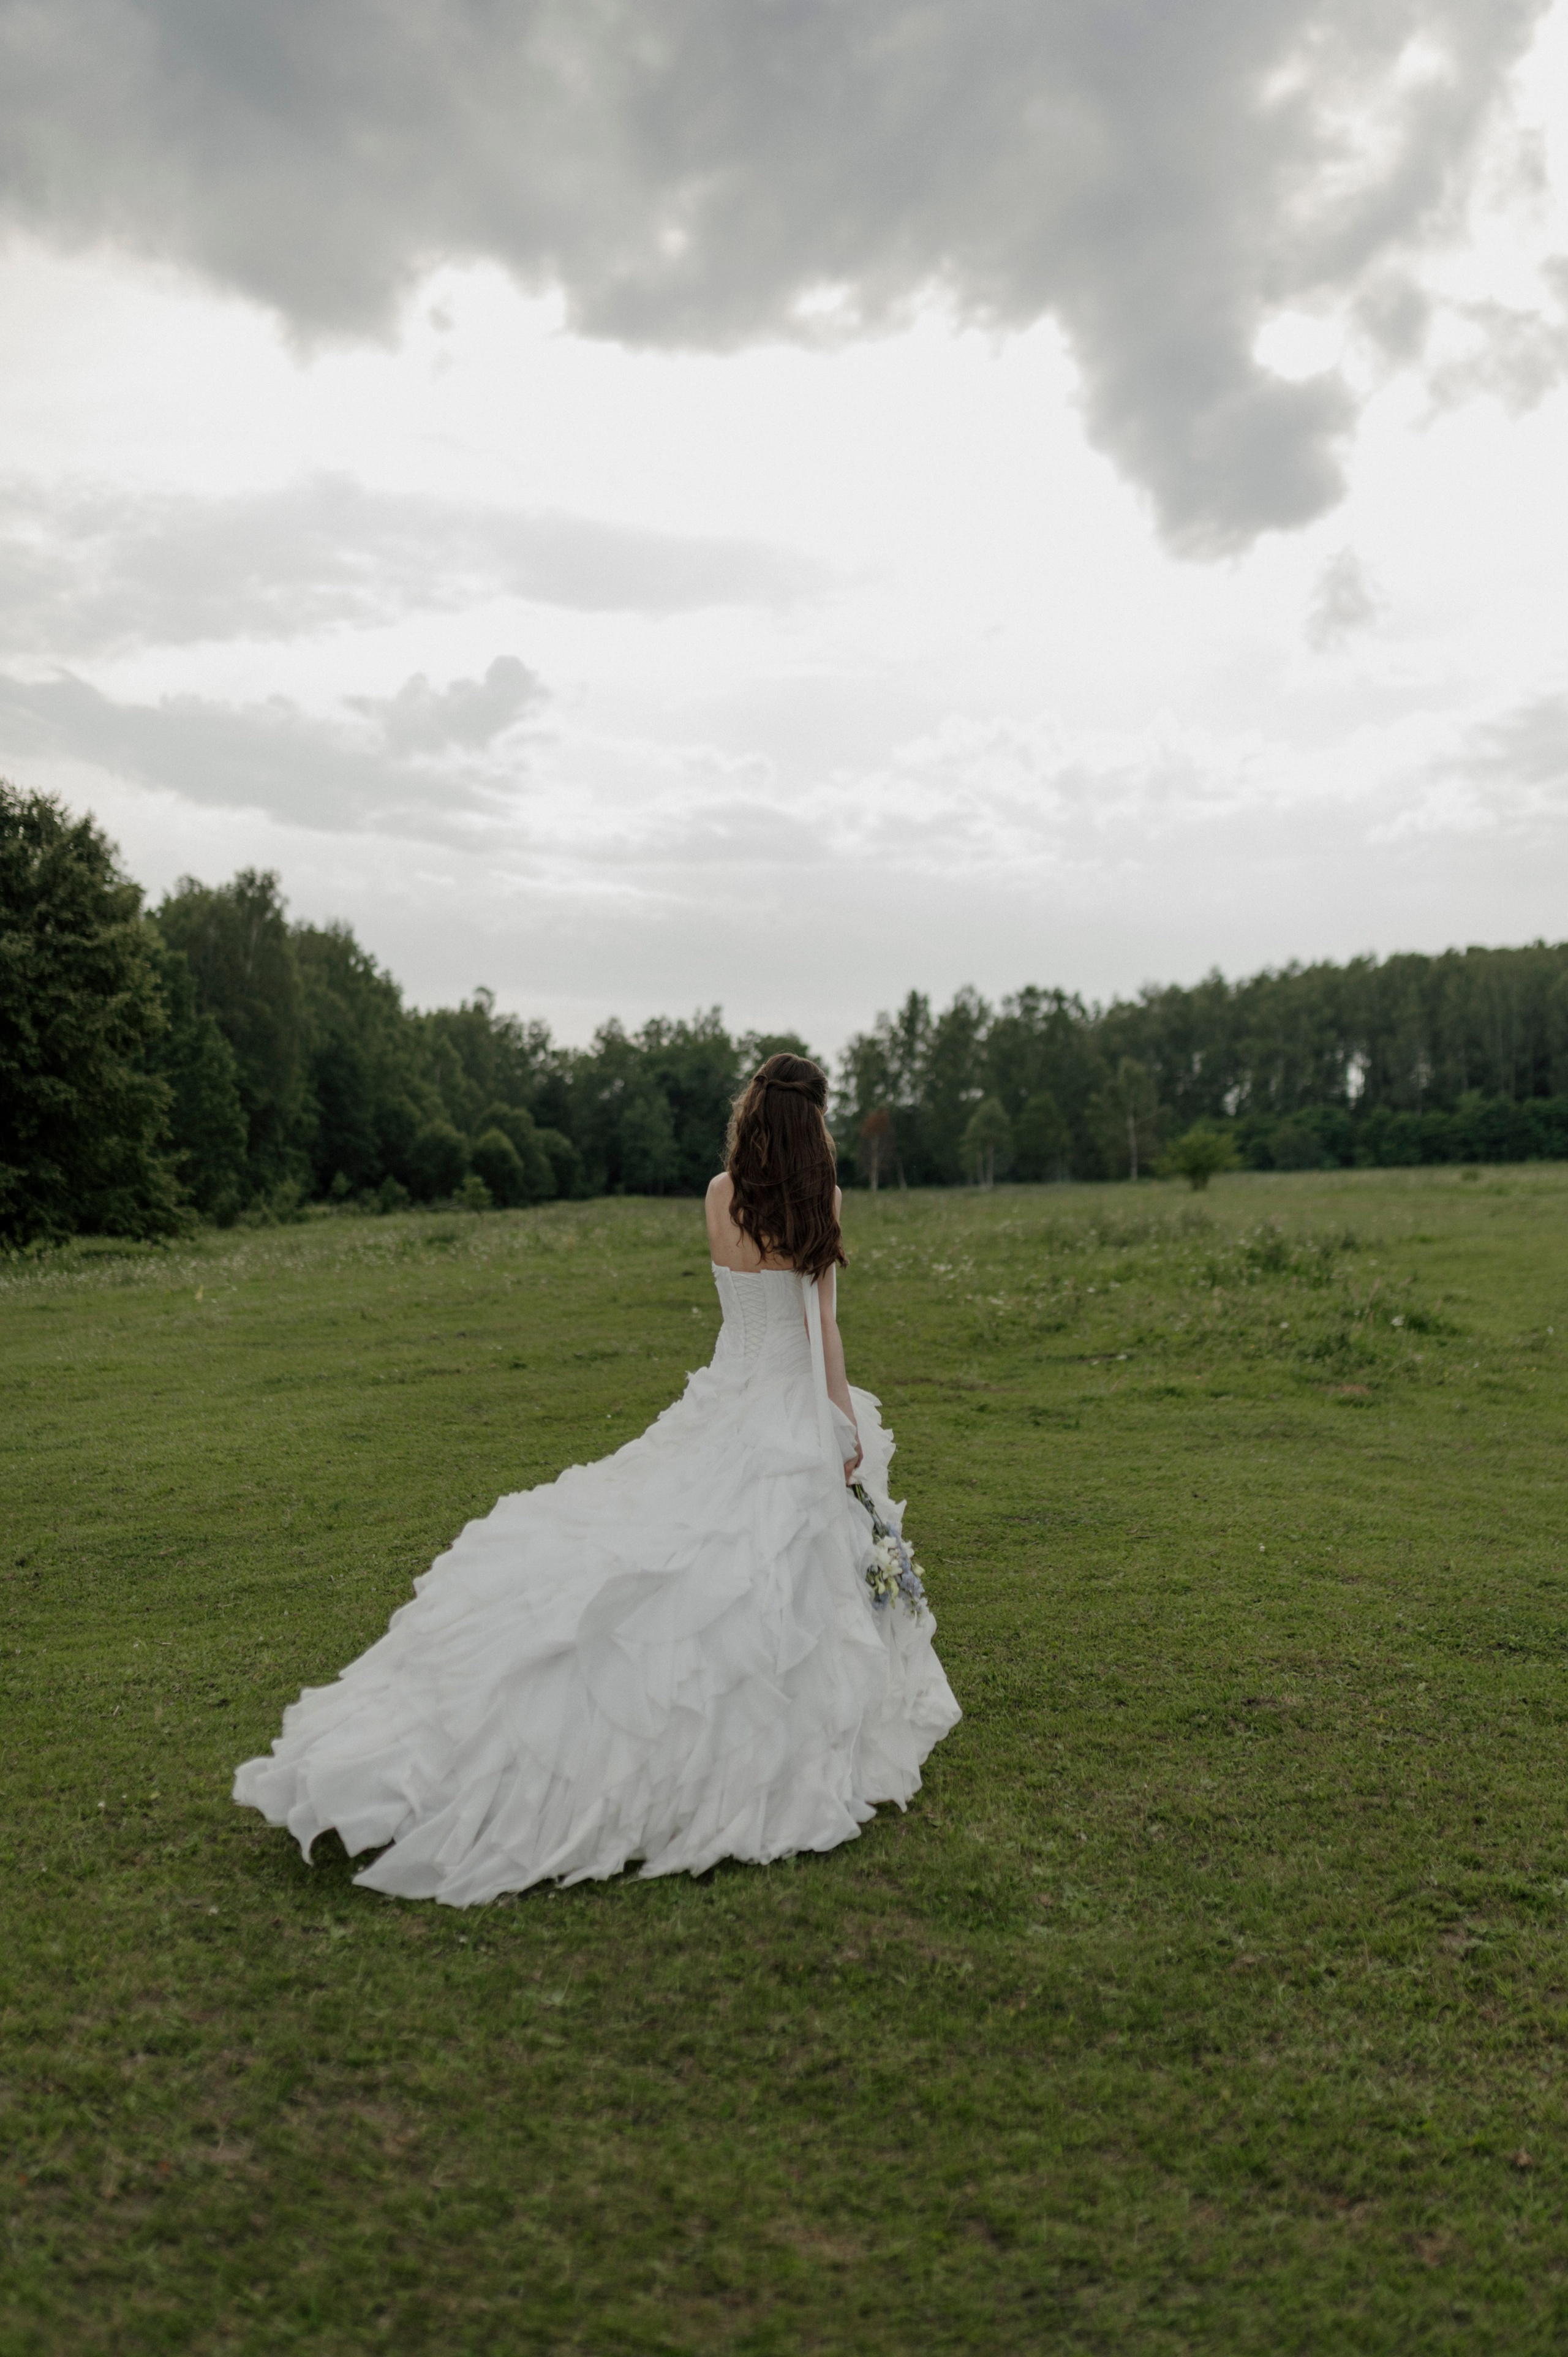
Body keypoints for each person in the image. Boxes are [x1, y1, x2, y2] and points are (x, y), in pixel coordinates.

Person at [233, 1053, 960, 1904]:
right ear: (817, 1123)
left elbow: (745, 1313)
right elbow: (822, 1329)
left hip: (728, 1395)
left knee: (675, 1537)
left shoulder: (719, 1196)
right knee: (764, 1566)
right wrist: (842, 1428)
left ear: (752, 1115)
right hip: (782, 1402)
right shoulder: (822, 1203)